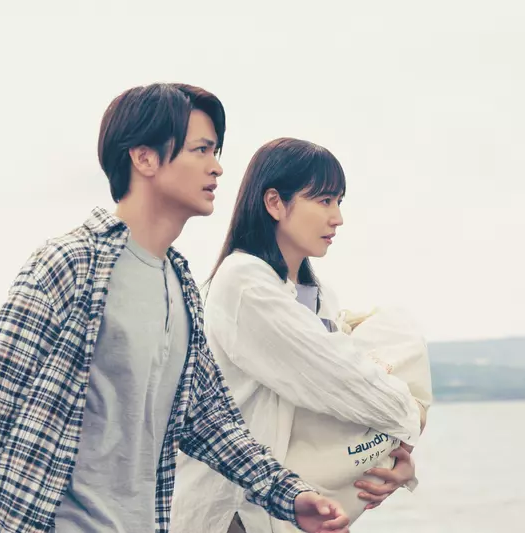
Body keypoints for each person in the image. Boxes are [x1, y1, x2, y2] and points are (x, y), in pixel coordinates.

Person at [0, 85, 351, 533]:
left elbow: (210, 421)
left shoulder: (182, 285)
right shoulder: (72, 264)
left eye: (216, 151)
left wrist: (291, 496)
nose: (217, 167)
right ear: (144, 158)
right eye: (201, 150)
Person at [170, 137, 424, 533]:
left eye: (339, 201)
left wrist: (396, 457)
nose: (337, 218)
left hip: (288, 510)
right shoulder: (244, 283)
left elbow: (341, 402)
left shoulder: (316, 294)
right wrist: (410, 418)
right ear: (274, 203)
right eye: (324, 201)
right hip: (235, 513)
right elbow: (339, 380)